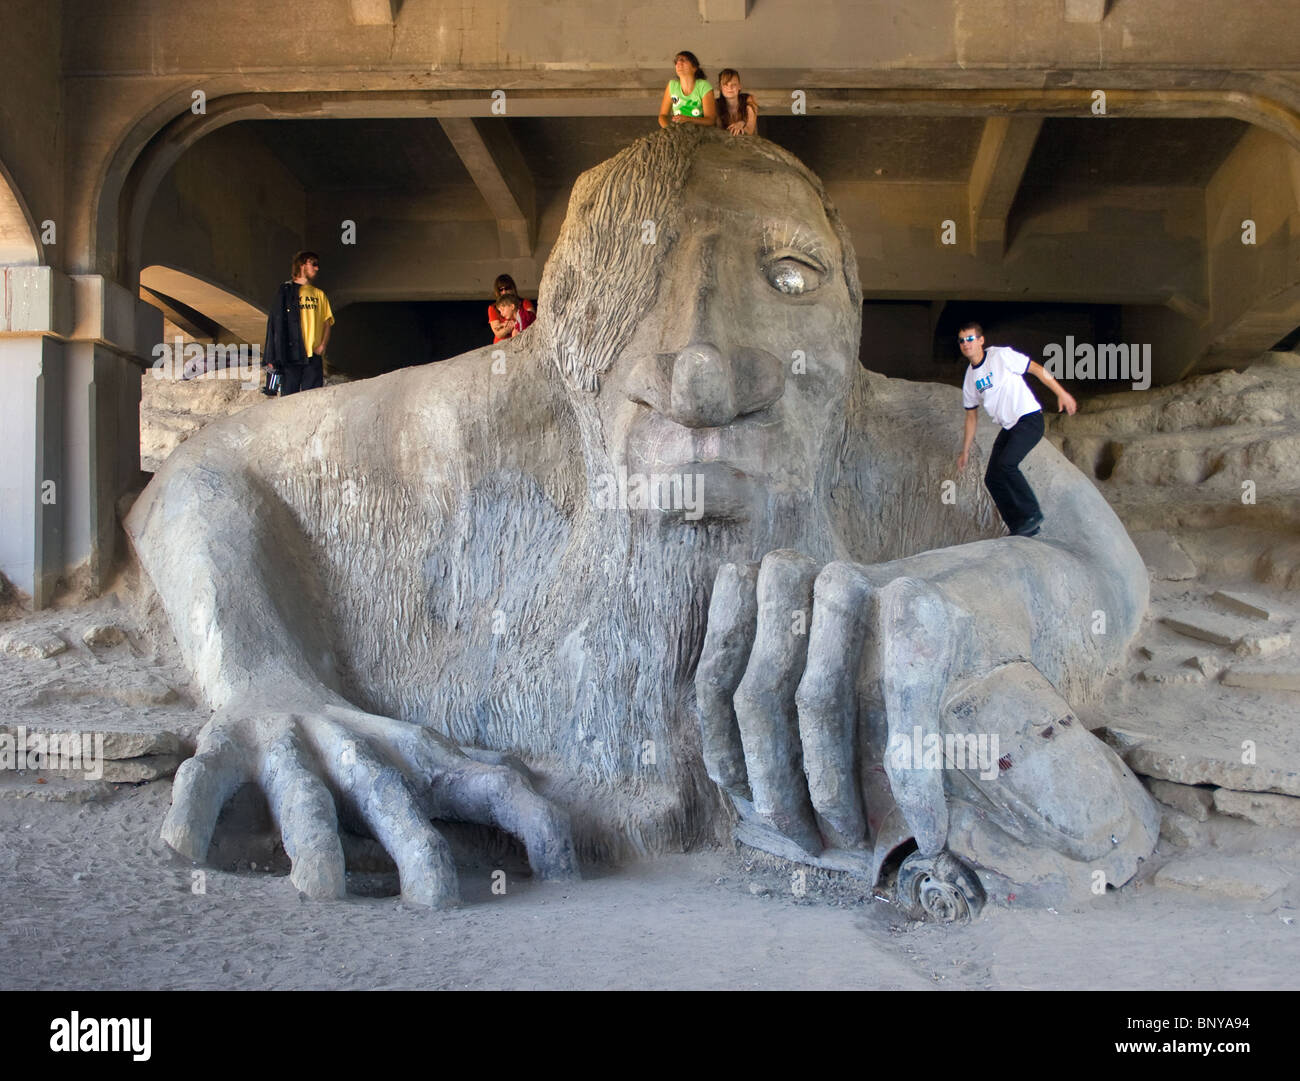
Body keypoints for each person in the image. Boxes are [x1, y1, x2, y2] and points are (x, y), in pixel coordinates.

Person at [128, 129, 1146, 908]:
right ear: (561, 323)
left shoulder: (910, 434)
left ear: (849, 312)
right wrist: (261, 677)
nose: (700, 370)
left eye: (788, 279)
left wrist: (970, 601)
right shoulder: (481, 415)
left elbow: (1100, 564)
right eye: (633, 278)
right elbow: (206, 472)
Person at [955, 321, 1078, 536]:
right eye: (962, 341)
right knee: (991, 478)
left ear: (981, 340)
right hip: (1010, 427)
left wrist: (1061, 393)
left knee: (1006, 464)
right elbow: (971, 416)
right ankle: (1019, 525)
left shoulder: (1000, 356)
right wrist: (965, 450)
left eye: (971, 339)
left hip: (1029, 419)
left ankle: (1032, 513)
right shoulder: (970, 378)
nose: (966, 344)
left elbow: (1037, 369)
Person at [262, 251, 334, 396]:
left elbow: (327, 322)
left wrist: (322, 346)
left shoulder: (319, 294)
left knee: (313, 398)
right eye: (313, 264)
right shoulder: (286, 292)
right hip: (290, 356)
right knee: (289, 399)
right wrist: (273, 356)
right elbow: (275, 326)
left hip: (313, 356)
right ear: (302, 265)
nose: (317, 268)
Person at [658, 51, 715, 128]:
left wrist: (688, 119)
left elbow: (710, 120)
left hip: (700, 132)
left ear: (694, 68)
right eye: (676, 61)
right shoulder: (672, 85)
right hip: (678, 132)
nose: (679, 63)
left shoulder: (703, 86)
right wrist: (670, 130)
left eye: (684, 60)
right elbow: (662, 116)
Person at [487, 274, 535, 341]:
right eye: (501, 289)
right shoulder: (493, 308)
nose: (504, 292)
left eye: (507, 288)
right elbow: (498, 333)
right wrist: (509, 326)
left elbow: (532, 323)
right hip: (501, 345)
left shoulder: (525, 303)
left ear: (513, 288)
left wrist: (511, 325)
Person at [715, 69, 758, 136]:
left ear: (739, 86)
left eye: (734, 84)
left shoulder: (748, 100)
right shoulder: (716, 105)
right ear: (720, 87)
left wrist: (742, 123)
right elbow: (720, 133)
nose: (730, 88)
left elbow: (750, 131)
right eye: (725, 84)